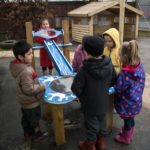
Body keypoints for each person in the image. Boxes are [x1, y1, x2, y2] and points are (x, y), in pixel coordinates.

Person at [71, 35, 116, 150]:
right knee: (101, 122)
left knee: (91, 126)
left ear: (86, 51)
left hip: (89, 105)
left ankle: (89, 145)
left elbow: (76, 89)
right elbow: (113, 80)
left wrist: (82, 96)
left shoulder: (84, 70)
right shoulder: (108, 64)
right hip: (103, 101)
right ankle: (100, 143)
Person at [9, 40, 48, 143]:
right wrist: (41, 87)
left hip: (24, 101)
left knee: (26, 119)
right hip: (31, 102)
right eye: (29, 54)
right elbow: (29, 89)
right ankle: (37, 135)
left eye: (32, 53)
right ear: (21, 57)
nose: (32, 55)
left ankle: (28, 134)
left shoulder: (18, 66)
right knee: (34, 119)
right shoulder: (25, 71)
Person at [111, 40, 145, 145]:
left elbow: (119, 88)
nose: (119, 57)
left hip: (127, 102)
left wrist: (112, 88)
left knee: (127, 120)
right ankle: (129, 133)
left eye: (120, 55)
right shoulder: (138, 66)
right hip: (136, 100)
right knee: (131, 118)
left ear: (125, 57)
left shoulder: (126, 73)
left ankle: (126, 138)